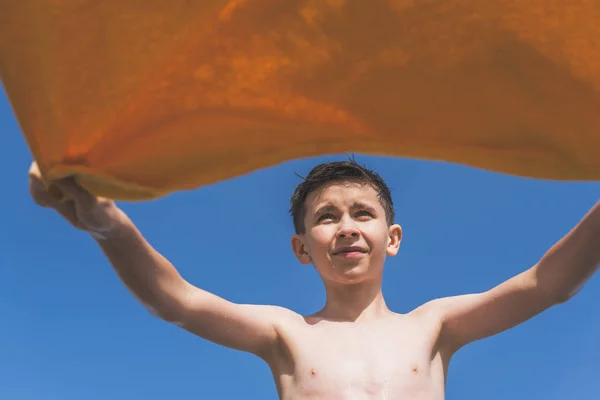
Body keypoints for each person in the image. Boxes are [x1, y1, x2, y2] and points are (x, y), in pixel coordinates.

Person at [28, 159, 599, 400]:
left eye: (362, 213)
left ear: (392, 238)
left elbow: (547, 284)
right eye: (327, 218)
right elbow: (174, 300)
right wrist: (105, 220)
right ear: (303, 249)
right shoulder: (285, 333)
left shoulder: (435, 326)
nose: (346, 227)